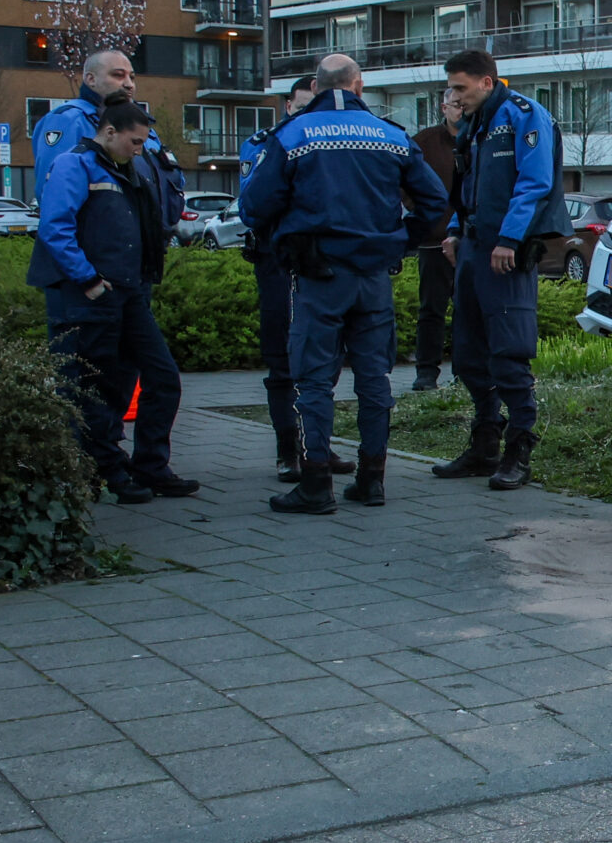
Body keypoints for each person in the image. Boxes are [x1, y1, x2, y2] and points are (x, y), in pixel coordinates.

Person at [239, 54, 448, 514]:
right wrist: (398, 240)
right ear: (359, 86)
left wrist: (286, 239)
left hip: (319, 275)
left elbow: (253, 206)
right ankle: (371, 480)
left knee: (314, 379)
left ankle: (315, 484)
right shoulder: (391, 136)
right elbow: (435, 203)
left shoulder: (292, 135)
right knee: (374, 378)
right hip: (373, 277)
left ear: (315, 87)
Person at [26, 100, 198, 503]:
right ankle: (107, 469)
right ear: (109, 132)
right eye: (134, 141)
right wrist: (88, 279)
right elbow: (55, 227)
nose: (140, 149)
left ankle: (148, 466)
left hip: (127, 290)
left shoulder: (124, 168)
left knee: (160, 377)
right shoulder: (75, 165)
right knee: (93, 386)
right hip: (89, 294)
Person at [434, 50, 569, 491]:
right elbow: (466, 187)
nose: (453, 96)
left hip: (505, 252)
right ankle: (484, 444)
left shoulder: (523, 116)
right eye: (451, 88)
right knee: (469, 354)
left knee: (509, 353)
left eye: (460, 87)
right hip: (473, 248)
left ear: (486, 82)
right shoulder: (476, 124)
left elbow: (535, 183)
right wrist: (455, 231)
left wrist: (508, 239)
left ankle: (519, 450)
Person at [236, 75, 346, 482]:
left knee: (326, 358)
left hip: (323, 260)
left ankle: (317, 444)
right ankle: (288, 450)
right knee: (283, 357)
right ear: (287, 107)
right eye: (300, 108)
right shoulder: (265, 143)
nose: (305, 118)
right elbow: (252, 205)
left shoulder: (330, 143)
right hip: (278, 259)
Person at [31, 49, 184, 233]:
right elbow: (53, 198)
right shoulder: (70, 120)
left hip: (145, 247)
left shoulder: (143, 127)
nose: (129, 84)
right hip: (97, 249)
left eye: (132, 77)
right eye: (118, 75)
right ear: (91, 79)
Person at [409, 87, 463, 392]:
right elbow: (402, 180)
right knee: (431, 309)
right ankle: (426, 372)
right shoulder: (425, 143)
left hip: (468, 241)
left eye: (464, 104)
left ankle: (463, 370)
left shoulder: (479, 140)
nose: (461, 110)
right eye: (455, 105)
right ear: (443, 107)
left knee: (466, 310)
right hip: (433, 240)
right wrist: (420, 212)